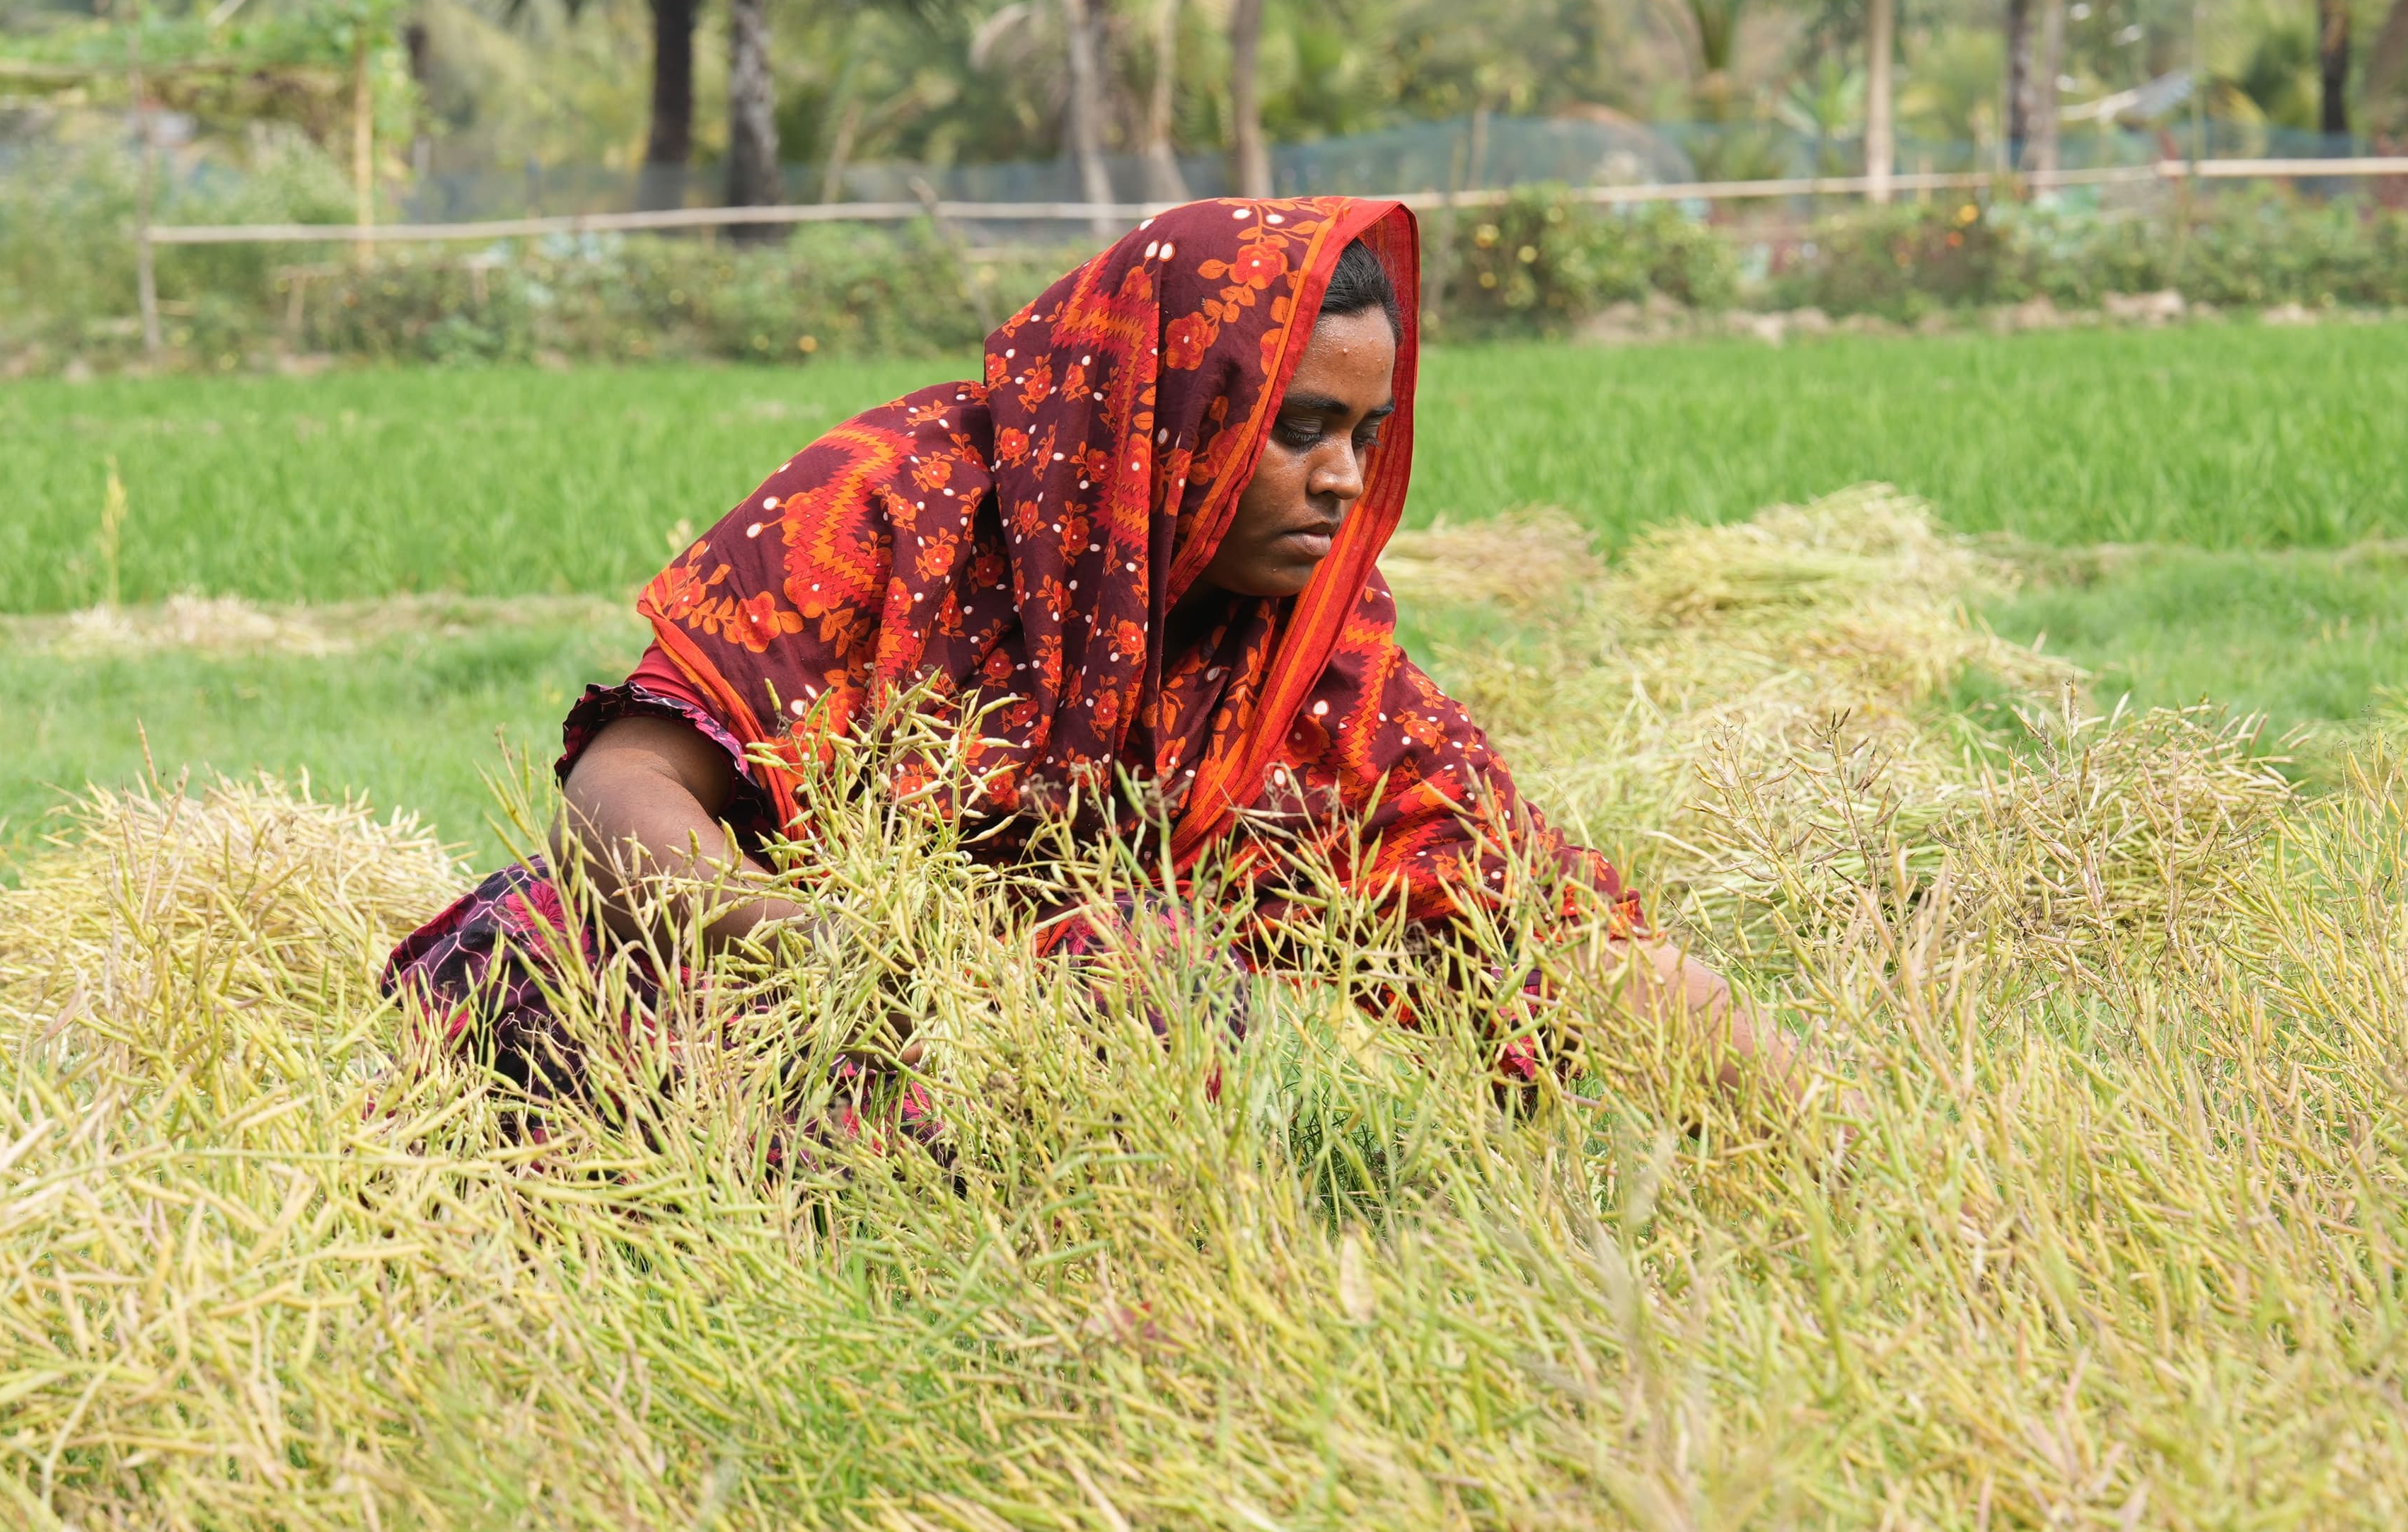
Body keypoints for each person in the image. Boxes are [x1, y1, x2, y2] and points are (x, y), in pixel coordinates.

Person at [386, 196, 1813, 1118]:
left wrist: (1832, 1128)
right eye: (1300, 428)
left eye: (1365, 438)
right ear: (1172, 407)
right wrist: (856, 965)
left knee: (1142, 972)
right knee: (545, 948)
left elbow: (1549, 933)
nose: (1342, 480)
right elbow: (623, 791)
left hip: (1013, 1069)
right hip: (729, 994)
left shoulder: (1309, 662)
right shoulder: (905, 504)